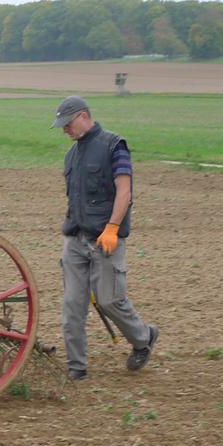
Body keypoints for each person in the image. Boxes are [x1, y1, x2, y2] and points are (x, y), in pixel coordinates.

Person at [52, 95, 158, 381]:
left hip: (105, 238)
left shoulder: (114, 146)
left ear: (84, 116)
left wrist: (112, 227)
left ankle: (143, 338)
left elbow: (124, 191)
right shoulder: (70, 156)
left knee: (110, 300)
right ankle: (77, 368)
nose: (65, 129)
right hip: (75, 239)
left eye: (68, 123)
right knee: (72, 307)